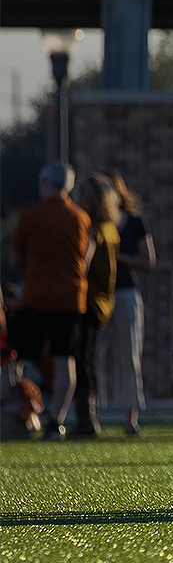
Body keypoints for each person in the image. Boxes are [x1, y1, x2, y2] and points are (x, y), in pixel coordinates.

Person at [8, 164, 92, 440]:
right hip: (71, 298)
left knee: (14, 354)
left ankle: (15, 410)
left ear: (44, 182)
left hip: (37, 296)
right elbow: (83, 260)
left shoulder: (31, 216)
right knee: (64, 359)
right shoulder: (80, 217)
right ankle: (57, 421)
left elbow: (16, 258)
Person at [67, 173, 120, 438]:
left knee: (81, 361)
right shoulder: (111, 228)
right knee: (89, 360)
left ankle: (85, 419)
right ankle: (90, 416)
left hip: (86, 301)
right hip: (103, 302)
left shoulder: (91, 229)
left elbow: (82, 265)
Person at [101, 172, 154, 435]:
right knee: (94, 355)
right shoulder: (95, 222)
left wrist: (116, 256)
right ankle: (91, 414)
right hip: (98, 295)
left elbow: (148, 262)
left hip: (126, 293)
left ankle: (130, 418)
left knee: (129, 355)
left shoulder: (135, 223)